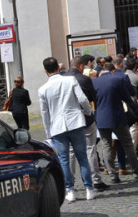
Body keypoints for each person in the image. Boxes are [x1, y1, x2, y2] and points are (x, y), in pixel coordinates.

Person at [38, 57, 95, 202]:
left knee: (64, 160)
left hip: (57, 127)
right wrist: (88, 112)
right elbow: (82, 99)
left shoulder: (42, 89)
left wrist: (48, 132)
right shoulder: (70, 80)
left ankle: (70, 190)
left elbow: (45, 113)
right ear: (58, 67)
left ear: (45, 70)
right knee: (82, 157)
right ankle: (89, 189)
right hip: (75, 122)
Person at [64, 56, 109, 191]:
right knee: (90, 149)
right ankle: (96, 180)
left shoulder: (62, 79)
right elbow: (92, 97)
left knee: (71, 151)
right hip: (85, 118)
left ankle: (70, 183)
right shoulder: (84, 79)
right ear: (81, 66)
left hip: (69, 120)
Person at [93, 62, 138, 183]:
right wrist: (134, 109)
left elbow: (92, 100)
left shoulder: (95, 82)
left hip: (102, 119)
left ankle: (113, 175)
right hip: (118, 117)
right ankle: (136, 172)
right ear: (113, 70)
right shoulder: (118, 79)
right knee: (128, 144)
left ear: (103, 70)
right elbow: (127, 98)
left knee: (106, 146)